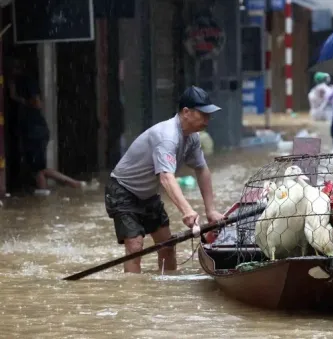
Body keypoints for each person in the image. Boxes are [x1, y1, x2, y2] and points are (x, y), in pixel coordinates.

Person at [105, 86, 225, 273]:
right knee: (135, 247)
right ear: (186, 112)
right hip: (122, 190)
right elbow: (167, 178)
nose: (207, 120)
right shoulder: (167, 137)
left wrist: (211, 210)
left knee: (167, 245)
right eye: (203, 114)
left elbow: (202, 170)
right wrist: (187, 211)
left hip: (148, 195)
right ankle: (133, 296)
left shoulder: (192, 138)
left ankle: (166, 289)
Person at [8, 59, 98, 196]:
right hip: (32, 131)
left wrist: (17, 98)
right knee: (37, 169)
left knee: (39, 169)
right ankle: (67, 187)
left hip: (35, 131)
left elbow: (37, 103)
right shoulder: (22, 82)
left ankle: (70, 186)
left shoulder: (25, 81)